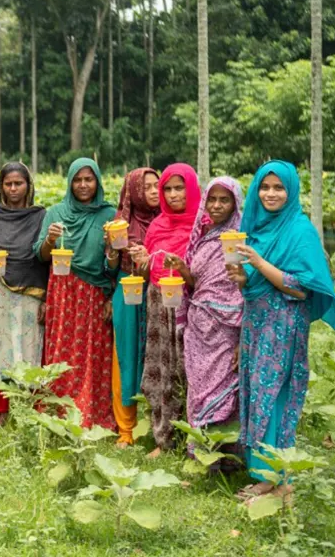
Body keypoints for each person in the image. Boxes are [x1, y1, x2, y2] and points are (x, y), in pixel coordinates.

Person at [229, 161, 335, 503]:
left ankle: (275, 478)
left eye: (279, 188)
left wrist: (259, 264)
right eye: (265, 187)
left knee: (274, 396)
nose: (271, 194)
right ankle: (264, 474)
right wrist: (242, 279)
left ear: (291, 191)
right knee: (255, 393)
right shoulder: (257, 229)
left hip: (284, 326)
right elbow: (255, 287)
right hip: (255, 325)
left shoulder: (299, 230)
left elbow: (302, 288)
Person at [164, 177, 244, 460]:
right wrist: (182, 269)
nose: (217, 206)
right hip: (199, 328)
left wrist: (243, 339)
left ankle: (226, 457)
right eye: (212, 200)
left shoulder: (242, 239)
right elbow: (196, 284)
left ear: (235, 203)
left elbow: (247, 290)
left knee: (223, 389)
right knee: (198, 390)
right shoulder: (203, 237)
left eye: (224, 200)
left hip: (228, 329)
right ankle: (200, 457)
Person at [35, 158, 117, 429]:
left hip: (93, 291)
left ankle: (89, 409)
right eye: (77, 180)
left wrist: (112, 251)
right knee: (62, 348)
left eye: (89, 179)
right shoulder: (56, 212)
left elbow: (112, 265)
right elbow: (41, 255)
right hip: (62, 291)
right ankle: (58, 406)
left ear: (98, 182)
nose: (83, 185)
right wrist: (49, 238)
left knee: (93, 350)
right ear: (70, 182)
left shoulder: (109, 215)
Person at [137, 163, 200, 455]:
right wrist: (143, 259)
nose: (173, 195)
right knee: (162, 369)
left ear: (192, 188)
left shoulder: (204, 224)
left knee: (190, 368)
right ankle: (163, 437)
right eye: (168, 189)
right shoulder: (158, 225)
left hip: (191, 303)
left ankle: (194, 436)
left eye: (179, 188)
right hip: (158, 301)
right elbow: (148, 262)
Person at [0, 162, 49, 420]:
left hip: (31, 290)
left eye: (18, 183)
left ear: (28, 186)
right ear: (1, 187)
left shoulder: (40, 216)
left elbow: (46, 258)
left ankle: (33, 411)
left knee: (29, 348)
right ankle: (1, 412)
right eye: (7, 184)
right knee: (0, 350)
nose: (13, 189)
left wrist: (47, 298)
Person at [108, 168, 160, 446]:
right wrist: (113, 251)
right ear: (134, 192)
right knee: (126, 358)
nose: (154, 191)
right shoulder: (120, 224)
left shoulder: (167, 221)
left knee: (155, 358)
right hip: (127, 294)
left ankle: (154, 426)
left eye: (157, 185)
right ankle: (125, 429)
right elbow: (110, 268)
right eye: (147, 187)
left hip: (160, 294)